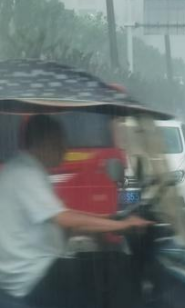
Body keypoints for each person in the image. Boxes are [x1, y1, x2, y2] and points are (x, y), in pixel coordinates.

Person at [0, 114, 152, 307]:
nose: (65, 149)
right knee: (114, 274)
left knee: (104, 264)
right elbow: (66, 220)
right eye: (61, 142)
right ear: (44, 142)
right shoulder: (25, 174)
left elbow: (63, 222)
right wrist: (121, 225)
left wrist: (110, 220)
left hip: (32, 271)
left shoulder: (27, 169)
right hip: (31, 278)